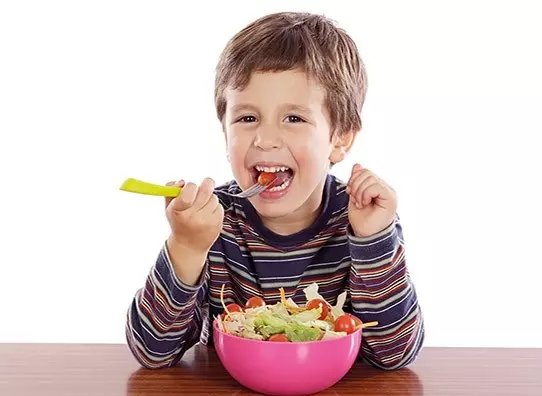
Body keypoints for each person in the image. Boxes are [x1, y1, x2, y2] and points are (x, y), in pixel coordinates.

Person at [125, 11, 425, 370]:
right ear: (224, 133)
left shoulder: (363, 217)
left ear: (340, 139)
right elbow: (153, 352)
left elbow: (395, 355)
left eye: (294, 118)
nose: (265, 139)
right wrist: (187, 247)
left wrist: (372, 240)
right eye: (247, 118)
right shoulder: (211, 223)